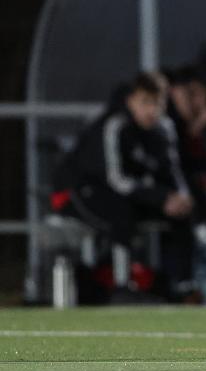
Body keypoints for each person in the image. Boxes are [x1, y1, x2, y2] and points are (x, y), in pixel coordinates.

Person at [53, 73, 195, 300]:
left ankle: (183, 285)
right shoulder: (114, 125)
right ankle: (121, 285)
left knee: (182, 213)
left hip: (129, 193)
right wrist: (161, 197)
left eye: (158, 103)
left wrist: (180, 196)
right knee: (121, 211)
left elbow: (173, 172)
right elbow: (116, 179)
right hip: (79, 192)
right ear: (131, 101)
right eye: (145, 102)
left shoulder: (164, 128)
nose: (152, 110)